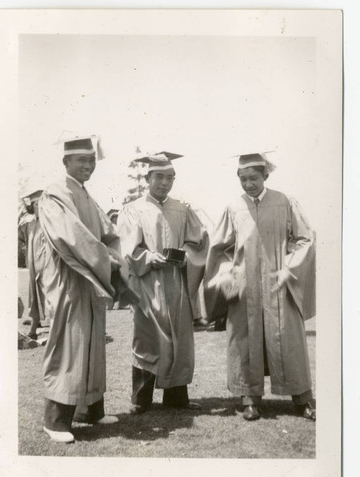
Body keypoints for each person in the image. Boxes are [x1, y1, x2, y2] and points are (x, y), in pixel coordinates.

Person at [204, 152, 316, 421]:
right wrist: (227, 275)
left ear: (266, 176)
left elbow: (305, 239)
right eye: (243, 178)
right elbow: (219, 249)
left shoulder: (285, 202)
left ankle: (302, 399)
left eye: (253, 178)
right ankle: (250, 398)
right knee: (245, 341)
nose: (248, 184)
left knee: (288, 340)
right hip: (246, 287)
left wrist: (289, 269)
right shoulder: (234, 207)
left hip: (279, 283)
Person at [38, 136, 136, 443]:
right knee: (70, 344)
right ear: (65, 161)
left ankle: (91, 411)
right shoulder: (54, 195)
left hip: (92, 279)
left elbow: (109, 234)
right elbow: (72, 236)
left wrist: (115, 257)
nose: (88, 165)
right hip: (70, 280)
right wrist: (105, 258)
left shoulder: (88, 197)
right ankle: (55, 421)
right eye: (81, 160)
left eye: (92, 160)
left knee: (92, 344)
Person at [117, 152, 209, 414]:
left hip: (177, 283)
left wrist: (186, 257)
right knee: (147, 338)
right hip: (148, 282)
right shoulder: (133, 210)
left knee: (180, 340)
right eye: (159, 177)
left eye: (170, 178)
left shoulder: (183, 209)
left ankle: (176, 397)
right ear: (147, 178)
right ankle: (141, 399)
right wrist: (147, 256)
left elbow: (199, 244)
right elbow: (127, 249)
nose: (164, 183)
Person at [18, 190, 47, 339]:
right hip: (33, 266)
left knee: (51, 299)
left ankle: (57, 330)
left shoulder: (50, 222)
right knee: (34, 299)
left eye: (40, 203)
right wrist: (22, 205)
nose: (38, 206)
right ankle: (33, 330)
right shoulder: (29, 223)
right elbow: (18, 232)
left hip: (48, 267)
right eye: (36, 204)